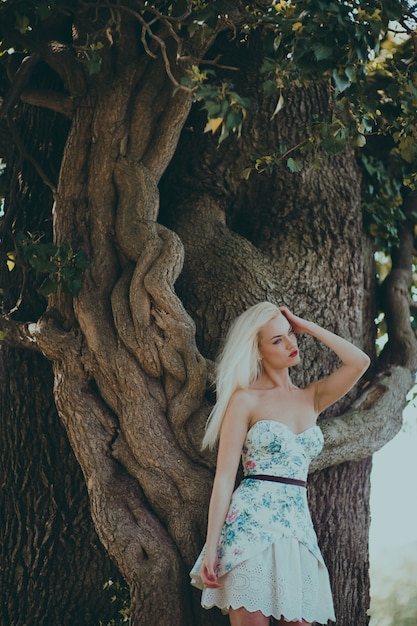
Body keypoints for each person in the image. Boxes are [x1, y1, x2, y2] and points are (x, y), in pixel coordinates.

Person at [190, 302, 371, 626]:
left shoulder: (311, 397)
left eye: (290, 335)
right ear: (257, 352)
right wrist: (212, 545)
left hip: (297, 532)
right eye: (277, 340)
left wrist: (304, 325)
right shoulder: (245, 400)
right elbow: (224, 478)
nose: (291, 344)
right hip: (248, 529)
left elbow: (360, 362)